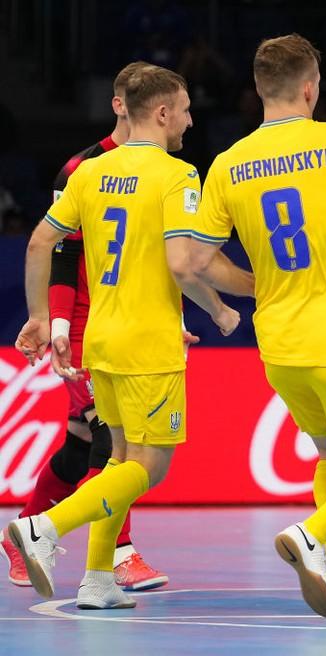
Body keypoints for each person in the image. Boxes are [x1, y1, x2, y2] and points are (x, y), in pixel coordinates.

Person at [184, 34, 326, 620]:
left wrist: (255, 283)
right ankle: (312, 535)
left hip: (281, 346)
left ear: (259, 90)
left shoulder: (228, 164)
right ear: (311, 87)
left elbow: (194, 261)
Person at [9, 64, 249, 609]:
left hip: (103, 342)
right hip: (149, 345)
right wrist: (220, 311)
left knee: (116, 458)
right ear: (162, 113)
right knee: (149, 466)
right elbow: (185, 265)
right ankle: (44, 527)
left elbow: (39, 244)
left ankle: (98, 580)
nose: (190, 120)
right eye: (185, 110)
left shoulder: (89, 173)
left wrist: (40, 316)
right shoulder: (178, 176)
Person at [0, 61, 171, 593]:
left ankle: (20, 534)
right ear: (121, 105)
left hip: (130, 325)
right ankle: (116, 554)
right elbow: (58, 253)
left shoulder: (162, 166)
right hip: (84, 330)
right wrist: (52, 323)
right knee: (109, 441)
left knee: (80, 443)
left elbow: (159, 258)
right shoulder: (82, 169)